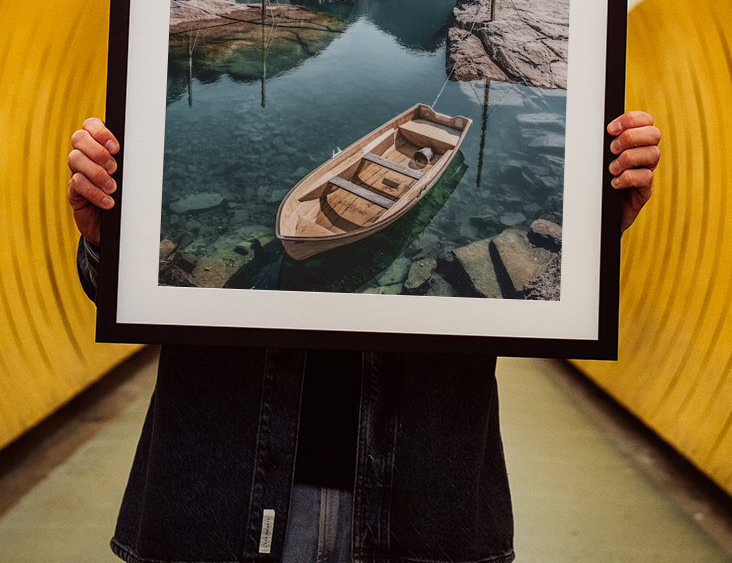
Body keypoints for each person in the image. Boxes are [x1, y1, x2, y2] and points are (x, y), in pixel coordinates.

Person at [68, 111, 661, 563]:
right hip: (220, 495)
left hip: (420, 503)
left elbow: (545, 304)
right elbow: (129, 296)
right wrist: (109, 242)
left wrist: (592, 235)